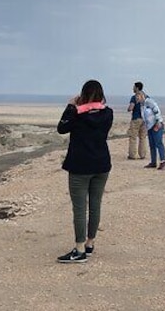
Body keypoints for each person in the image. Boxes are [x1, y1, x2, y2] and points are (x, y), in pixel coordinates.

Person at [56, 79, 113, 263]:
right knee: (95, 204)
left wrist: (71, 106)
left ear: (83, 95)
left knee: (80, 208)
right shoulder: (108, 114)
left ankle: (79, 250)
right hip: (102, 165)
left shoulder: (76, 114)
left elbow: (61, 128)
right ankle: (89, 244)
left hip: (80, 166)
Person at [138, 89, 165, 169]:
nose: (137, 99)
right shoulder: (142, 105)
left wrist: (158, 122)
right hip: (149, 127)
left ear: (142, 96)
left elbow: (156, 110)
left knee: (158, 143)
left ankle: (163, 160)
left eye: (138, 97)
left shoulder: (149, 102)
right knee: (152, 144)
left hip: (157, 125)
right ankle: (153, 162)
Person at [126, 81, 148, 160]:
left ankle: (132, 155)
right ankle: (142, 154)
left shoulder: (134, 97)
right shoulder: (146, 96)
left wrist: (129, 109)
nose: (133, 88)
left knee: (133, 137)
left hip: (136, 119)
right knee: (143, 137)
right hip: (144, 119)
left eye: (134, 87)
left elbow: (131, 107)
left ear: (137, 88)